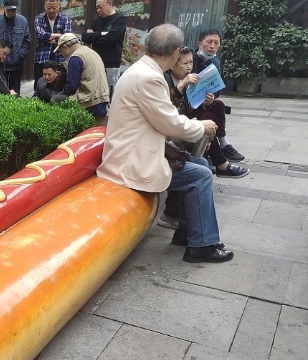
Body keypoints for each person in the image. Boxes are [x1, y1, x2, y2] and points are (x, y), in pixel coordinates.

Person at [97, 24, 234, 263]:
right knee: (200, 175)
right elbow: (170, 124)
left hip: (135, 151)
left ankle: (190, 234)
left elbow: (164, 118)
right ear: (175, 51)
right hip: (131, 162)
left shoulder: (141, 70)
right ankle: (201, 246)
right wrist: (202, 127)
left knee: (199, 162)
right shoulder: (150, 78)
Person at [158, 46, 249, 230]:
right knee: (194, 165)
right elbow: (170, 117)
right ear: (171, 65)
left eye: (191, 62)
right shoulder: (165, 82)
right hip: (169, 140)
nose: (190, 67)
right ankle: (175, 214)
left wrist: (203, 105)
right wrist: (182, 88)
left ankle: (184, 223)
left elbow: (189, 112)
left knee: (214, 110)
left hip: (179, 133)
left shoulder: (185, 80)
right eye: (185, 63)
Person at [191, 29, 245, 162]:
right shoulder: (190, 59)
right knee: (209, 113)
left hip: (204, 102)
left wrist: (211, 97)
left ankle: (222, 143)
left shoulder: (215, 63)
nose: (212, 46)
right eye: (209, 42)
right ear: (199, 43)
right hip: (188, 102)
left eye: (216, 43)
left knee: (217, 105)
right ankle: (209, 154)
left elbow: (217, 90)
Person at [52, 33, 110, 125]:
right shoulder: (92, 52)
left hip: (90, 101)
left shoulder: (75, 57)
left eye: (60, 51)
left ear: (66, 48)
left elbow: (71, 87)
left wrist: (61, 93)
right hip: (103, 99)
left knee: (55, 99)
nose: (61, 54)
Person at [81, 0, 126, 98]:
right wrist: (101, 34)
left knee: (110, 94)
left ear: (110, 4)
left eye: (100, 7)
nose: (98, 10)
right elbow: (85, 37)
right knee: (96, 93)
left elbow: (111, 38)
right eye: (96, 8)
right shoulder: (96, 20)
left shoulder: (119, 19)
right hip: (96, 63)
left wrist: (93, 35)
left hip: (111, 64)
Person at [0, 0, 31, 94]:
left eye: (14, 10)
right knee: (0, 90)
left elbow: (27, 42)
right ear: (4, 8)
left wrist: (21, 55)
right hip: (0, 64)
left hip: (17, 63)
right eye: (9, 10)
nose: (12, 12)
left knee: (15, 92)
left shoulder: (22, 21)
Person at [33, 0, 71, 88]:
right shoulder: (39, 18)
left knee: (59, 85)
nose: (51, 10)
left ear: (59, 6)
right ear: (44, 6)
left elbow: (66, 38)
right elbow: (40, 36)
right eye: (48, 8)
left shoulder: (66, 18)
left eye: (54, 8)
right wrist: (59, 36)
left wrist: (47, 38)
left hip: (60, 58)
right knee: (39, 85)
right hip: (41, 58)